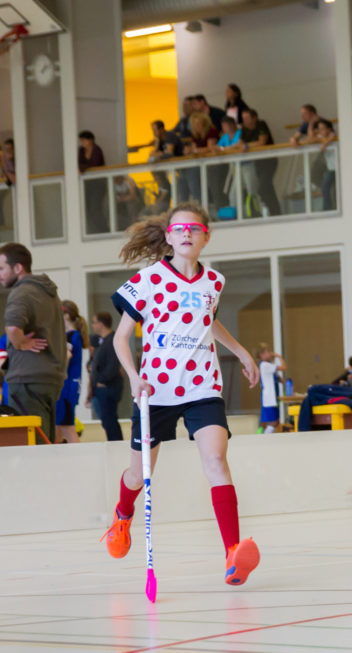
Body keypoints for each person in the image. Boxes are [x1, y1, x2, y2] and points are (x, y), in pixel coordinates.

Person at [101, 202, 262, 585]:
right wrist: (134, 376)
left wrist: (240, 351)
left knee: (216, 461)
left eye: (194, 228)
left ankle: (232, 554)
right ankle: (122, 516)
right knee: (140, 473)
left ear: (206, 236)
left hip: (202, 386)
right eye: (179, 228)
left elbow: (209, 321)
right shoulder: (149, 279)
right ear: (169, 237)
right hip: (154, 391)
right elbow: (121, 338)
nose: (186, 233)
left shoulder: (214, 282)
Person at [0, 243, 67, 444]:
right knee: (44, 440)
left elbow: (12, 328)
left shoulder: (22, 292)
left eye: (2, 268)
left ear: (18, 268)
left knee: (28, 446)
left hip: (26, 380)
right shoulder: (49, 293)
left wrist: (20, 343)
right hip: (51, 378)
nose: (0, 274)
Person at [86, 311, 124, 441]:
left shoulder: (113, 340)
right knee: (106, 421)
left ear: (101, 324)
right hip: (100, 387)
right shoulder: (100, 342)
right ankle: (114, 442)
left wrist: (102, 381)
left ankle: (116, 445)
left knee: (110, 420)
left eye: (94, 322)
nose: (92, 325)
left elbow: (113, 364)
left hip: (107, 387)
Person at [56, 300, 88, 443]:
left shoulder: (70, 335)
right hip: (70, 387)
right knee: (57, 429)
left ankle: (81, 464)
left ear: (66, 315)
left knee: (68, 430)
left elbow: (67, 356)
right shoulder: (74, 335)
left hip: (66, 387)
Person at [240, 109, 281, 217]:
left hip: (269, 160)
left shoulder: (261, 125)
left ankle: (274, 211)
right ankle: (276, 212)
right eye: (243, 118)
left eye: (247, 118)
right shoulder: (244, 129)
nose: (245, 120)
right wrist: (246, 145)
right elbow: (240, 144)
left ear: (254, 118)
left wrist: (248, 146)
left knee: (263, 187)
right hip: (258, 163)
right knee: (267, 187)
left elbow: (262, 142)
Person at [78, 131, 108, 233]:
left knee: (95, 208)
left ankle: (104, 230)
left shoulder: (97, 150)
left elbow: (94, 165)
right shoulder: (81, 151)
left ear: (90, 140)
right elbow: (78, 164)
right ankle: (93, 231)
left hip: (98, 184)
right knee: (87, 209)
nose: (82, 142)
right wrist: (84, 168)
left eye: (84, 140)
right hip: (87, 184)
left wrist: (84, 168)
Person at [257, 344, 286, 433]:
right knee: (273, 422)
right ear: (262, 355)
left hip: (272, 397)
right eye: (267, 352)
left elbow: (278, 379)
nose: (270, 353)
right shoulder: (265, 365)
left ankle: (262, 434)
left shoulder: (268, 365)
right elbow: (284, 367)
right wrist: (279, 356)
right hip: (269, 398)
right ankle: (263, 437)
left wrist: (284, 382)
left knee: (272, 421)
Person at [313, 119, 338, 210]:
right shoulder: (321, 137)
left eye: (323, 129)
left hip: (338, 168)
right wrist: (322, 139)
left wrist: (325, 144)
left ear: (329, 129)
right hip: (331, 169)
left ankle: (330, 208)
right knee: (325, 186)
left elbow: (332, 136)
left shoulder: (333, 136)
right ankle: (328, 208)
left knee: (329, 187)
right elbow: (312, 138)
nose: (321, 131)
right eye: (319, 129)